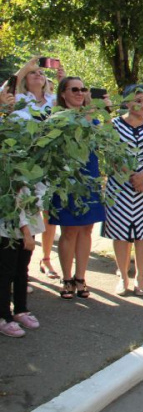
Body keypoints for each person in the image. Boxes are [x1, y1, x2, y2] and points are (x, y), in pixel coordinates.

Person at [50, 77, 110, 300]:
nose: (80, 92)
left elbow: (107, 141)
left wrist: (104, 112)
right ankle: (66, 278)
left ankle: (80, 277)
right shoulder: (58, 116)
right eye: (74, 89)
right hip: (68, 180)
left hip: (90, 178)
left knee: (87, 229)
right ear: (63, 94)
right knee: (69, 230)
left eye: (83, 89)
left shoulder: (93, 118)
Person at [104, 85, 143, 296]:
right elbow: (112, 154)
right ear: (127, 102)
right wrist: (132, 176)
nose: (142, 104)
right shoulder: (114, 125)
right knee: (121, 233)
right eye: (137, 100)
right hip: (120, 186)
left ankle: (140, 275)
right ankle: (122, 275)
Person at [10, 57, 65, 281]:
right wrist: (26, 67)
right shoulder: (20, 99)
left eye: (41, 73)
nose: (38, 75)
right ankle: (22, 269)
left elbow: (72, 103)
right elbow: (6, 90)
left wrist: (62, 78)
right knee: (26, 211)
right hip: (24, 163)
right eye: (34, 73)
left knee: (48, 214)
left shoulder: (53, 100)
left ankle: (46, 259)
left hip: (50, 163)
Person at [0, 183, 45, 337]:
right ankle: (3, 316)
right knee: (6, 273)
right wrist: (26, 231)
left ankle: (20, 310)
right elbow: (12, 201)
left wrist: (37, 200)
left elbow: (42, 191)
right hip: (8, 227)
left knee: (22, 270)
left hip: (29, 223)